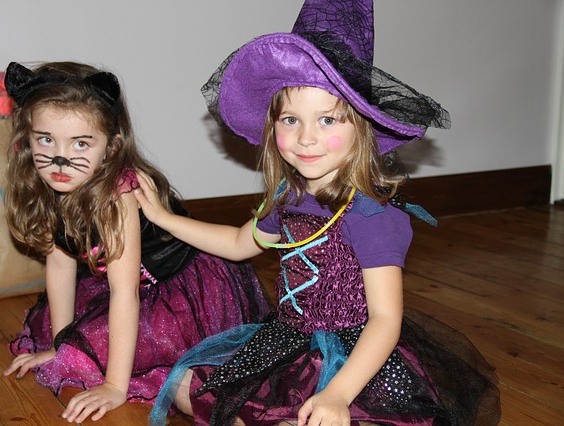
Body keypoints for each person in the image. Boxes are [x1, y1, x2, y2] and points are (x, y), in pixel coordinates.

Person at [138, 1, 501, 425]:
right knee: (185, 382)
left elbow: (385, 320)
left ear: (361, 128)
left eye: (328, 120)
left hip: (357, 355)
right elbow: (238, 244)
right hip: (286, 339)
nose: (306, 138)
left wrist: (338, 393)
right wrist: (162, 217)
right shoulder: (287, 197)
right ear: (272, 128)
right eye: (291, 119)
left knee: (327, 414)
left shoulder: (370, 215)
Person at [1, 61, 270, 423]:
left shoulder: (118, 196)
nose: (59, 158)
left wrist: (114, 386)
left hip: (178, 287)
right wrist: (59, 346)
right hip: (125, 283)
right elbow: (62, 262)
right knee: (82, 344)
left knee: (146, 359)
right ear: (27, 137)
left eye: (81, 143)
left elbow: (124, 293)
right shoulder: (50, 181)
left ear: (111, 148)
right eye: (46, 139)